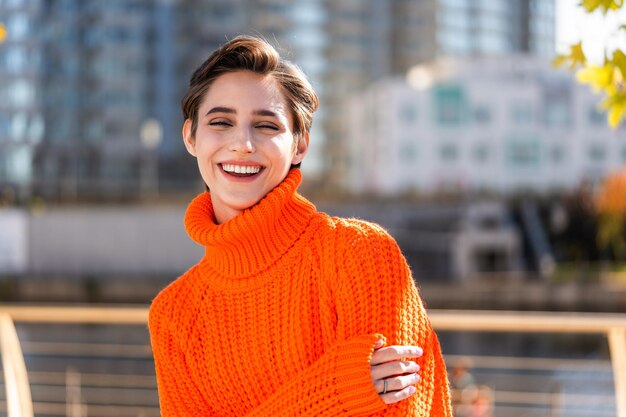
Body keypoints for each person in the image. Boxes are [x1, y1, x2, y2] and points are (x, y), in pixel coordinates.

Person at [148, 35, 452, 416]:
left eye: (266, 126)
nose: (242, 143)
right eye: (221, 122)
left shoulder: (359, 253)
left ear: (300, 145)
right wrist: (336, 390)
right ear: (191, 137)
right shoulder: (175, 315)